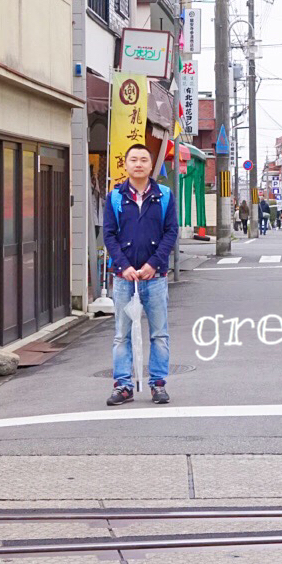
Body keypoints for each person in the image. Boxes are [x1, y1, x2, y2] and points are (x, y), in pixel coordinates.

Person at [102, 144, 179, 405]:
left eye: (143, 159)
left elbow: (171, 233)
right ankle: (123, 385)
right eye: (133, 159)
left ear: (150, 165)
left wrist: (153, 264)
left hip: (154, 277)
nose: (138, 164)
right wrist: (123, 266)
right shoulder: (114, 197)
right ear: (125, 165)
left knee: (159, 333)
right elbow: (109, 235)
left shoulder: (165, 196)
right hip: (124, 279)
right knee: (121, 334)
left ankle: (158, 383)